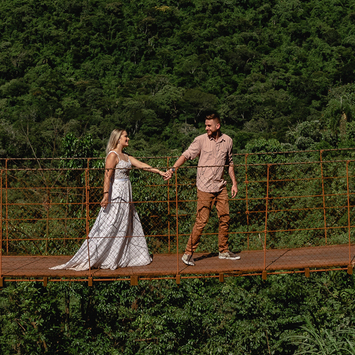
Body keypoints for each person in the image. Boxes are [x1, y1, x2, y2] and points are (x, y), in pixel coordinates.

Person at [51, 129, 165, 271]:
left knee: (124, 222)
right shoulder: (113, 155)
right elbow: (107, 176)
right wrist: (106, 195)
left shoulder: (126, 156)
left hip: (126, 193)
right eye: (125, 136)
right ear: (118, 139)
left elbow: (142, 165)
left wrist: (159, 172)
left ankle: (118, 255)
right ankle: (97, 255)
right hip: (116, 192)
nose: (128, 138)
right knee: (111, 223)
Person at [165, 112, 239, 265]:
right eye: (205, 125)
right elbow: (185, 155)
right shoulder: (200, 140)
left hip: (220, 186)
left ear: (217, 126)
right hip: (205, 187)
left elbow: (230, 163)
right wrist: (172, 170)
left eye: (209, 125)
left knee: (225, 218)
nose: (206, 128)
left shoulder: (228, 141)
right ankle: (188, 254)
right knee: (201, 221)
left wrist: (234, 183)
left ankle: (223, 251)